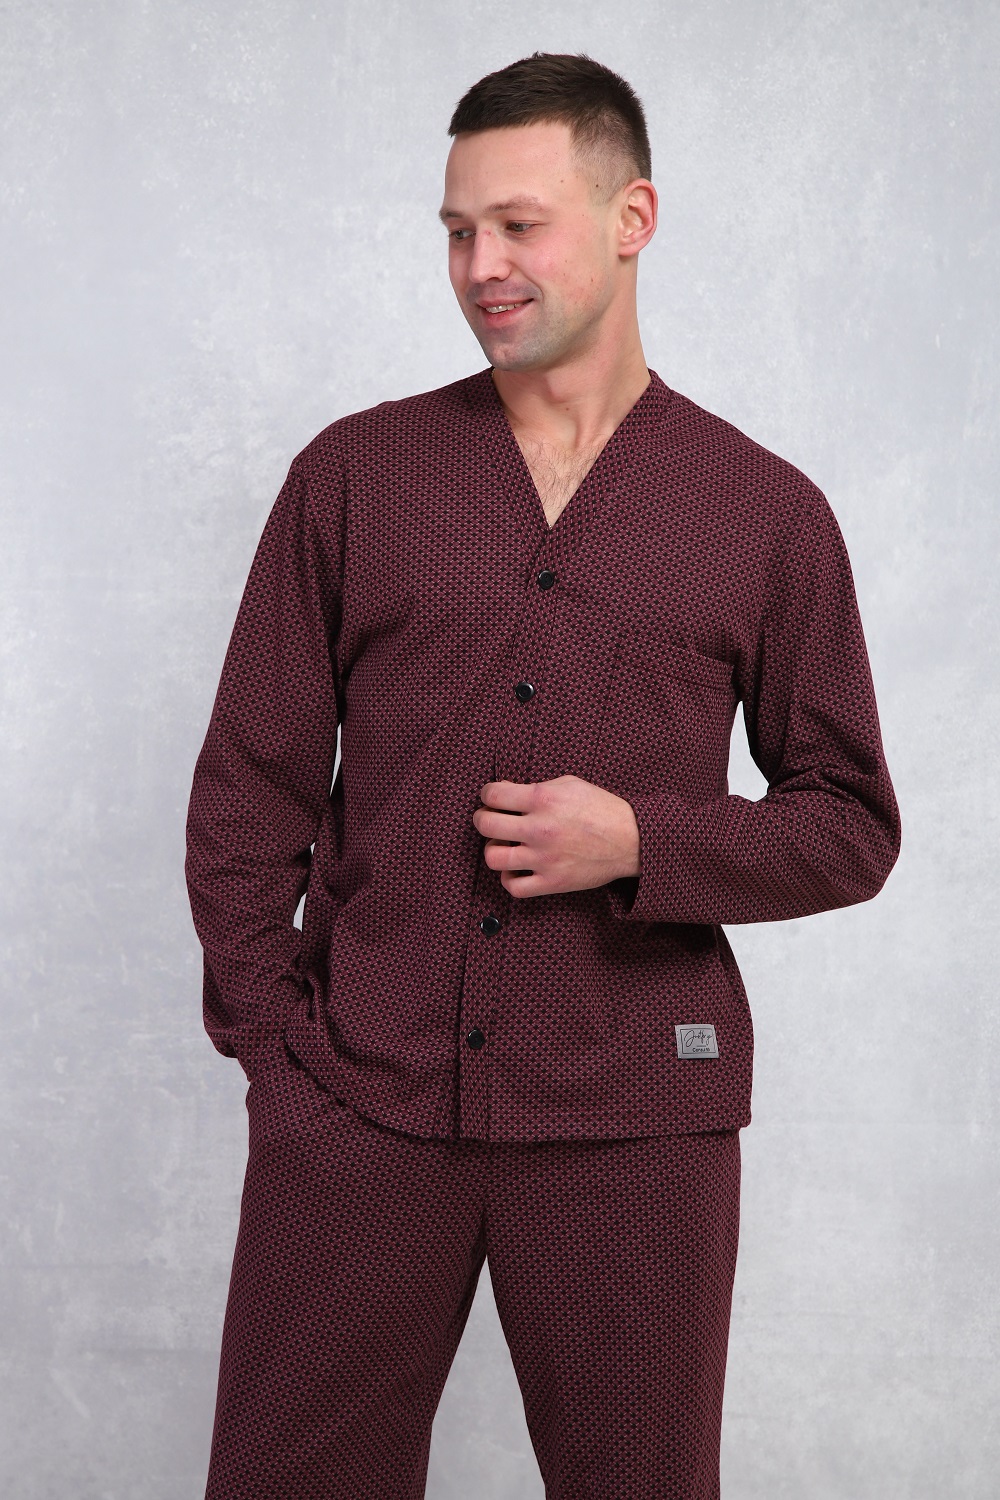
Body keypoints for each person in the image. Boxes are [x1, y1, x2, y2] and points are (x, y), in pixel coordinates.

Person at [185, 51, 900, 1500]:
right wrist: (280, 1052)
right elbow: (250, 783)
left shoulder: (764, 514)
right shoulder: (354, 477)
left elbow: (849, 824)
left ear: (634, 217)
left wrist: (644, 840)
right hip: (361, 1096)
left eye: (519, 225)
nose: (480, 267)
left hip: (635, 1111)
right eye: (458, 231)